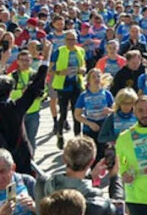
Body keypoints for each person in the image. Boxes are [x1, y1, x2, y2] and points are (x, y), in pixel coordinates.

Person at [0, 41, 50, 177]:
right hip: (20, 157)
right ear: (10, 92)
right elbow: (35, 88)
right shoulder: (16, 107)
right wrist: (45, 59)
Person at [33, 136, 120, 215]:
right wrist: (114, 177)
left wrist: (89, 177)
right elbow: (117, 209)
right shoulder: (92, 195)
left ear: (64, 159)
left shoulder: (43, 183)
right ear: (91, 162)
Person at [51, 32, 86, 149]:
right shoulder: (59, 51)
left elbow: (84, 66)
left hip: (77, 85)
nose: (71, 42)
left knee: (76, 113)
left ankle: (77, 139)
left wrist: (82, 70)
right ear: (65, 40)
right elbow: (50, 69)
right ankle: (60, 135)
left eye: (73, 39)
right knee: (63, 112)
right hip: (63, 86)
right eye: (68, 39)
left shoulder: (80, 51)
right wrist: (60, 72)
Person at [73, 69, 115, 160]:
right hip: (89, 128)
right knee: (91, 154)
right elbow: (77, 115)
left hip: (104, 126)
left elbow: (115, 110)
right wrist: (89, 123)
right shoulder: (84, 95)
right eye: (93, 77)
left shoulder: (107, 94)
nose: (96, 78)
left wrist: (110, 111)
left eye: (98, 76)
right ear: (88, 81)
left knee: (103, 153)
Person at [8, 49, 43, 151]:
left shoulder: (36, 75)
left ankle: (31, 161)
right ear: (17, 61)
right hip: (18, 113)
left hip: (33, 112)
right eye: (22, 60)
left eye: (27, 60)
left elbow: (43, 91)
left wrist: (40, 95)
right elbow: (8, 94)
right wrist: (21, 92)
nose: (24, 62)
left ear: (31, 61)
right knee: (17, 139)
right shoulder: (12, 76)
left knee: (31, 139)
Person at [0, 148, 37, 215]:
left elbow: (48, 211)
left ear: (13, 168)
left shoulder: (27, 181)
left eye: (2, 171)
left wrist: (34, 207)